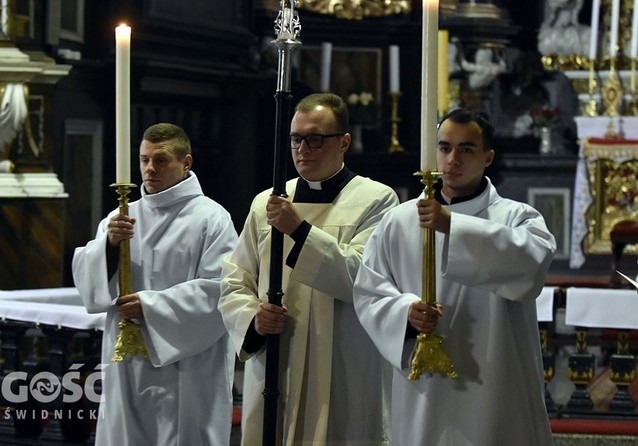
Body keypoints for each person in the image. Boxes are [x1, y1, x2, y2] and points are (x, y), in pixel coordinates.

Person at [353, 108, 556, 445]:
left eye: (466, 149)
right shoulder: (398, 221)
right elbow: (369, 291)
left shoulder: (517, 218)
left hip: (495, 385)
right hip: (424, 389)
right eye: (445, 147)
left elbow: (532, 264)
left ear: (488, 157)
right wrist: (404, 312)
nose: (453, 159)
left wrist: (452, 226)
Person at [219, 93, 399, 444]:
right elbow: (235, 280)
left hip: (342, 363)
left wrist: (300, 231)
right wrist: (253, 319)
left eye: (316, 139)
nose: (303, 149)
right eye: (296, 139)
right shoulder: (266, 203)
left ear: (344, 142)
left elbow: (364, 279)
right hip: (277, 359)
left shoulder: (377, 200)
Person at [72, 123, 238, 445]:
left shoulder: (212, 219)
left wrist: (149, 306)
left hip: (187, 363)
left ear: (186, 163)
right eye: (144, 159)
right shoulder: (120, 217)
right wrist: (107, 246)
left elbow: (222, 290)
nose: (149, 169)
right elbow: (87, 282)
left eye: (160, 160)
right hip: (127, 362)